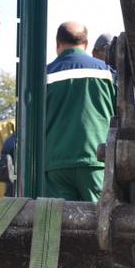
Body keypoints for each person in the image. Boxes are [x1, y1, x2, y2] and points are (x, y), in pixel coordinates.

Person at [44, 21, 116, 202]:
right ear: (85, 44)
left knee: (57, 224)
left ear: (57, 44)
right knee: (100, 222)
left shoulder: (43, 76)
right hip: (96, 161)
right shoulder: (107, 73)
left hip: (55, 164)